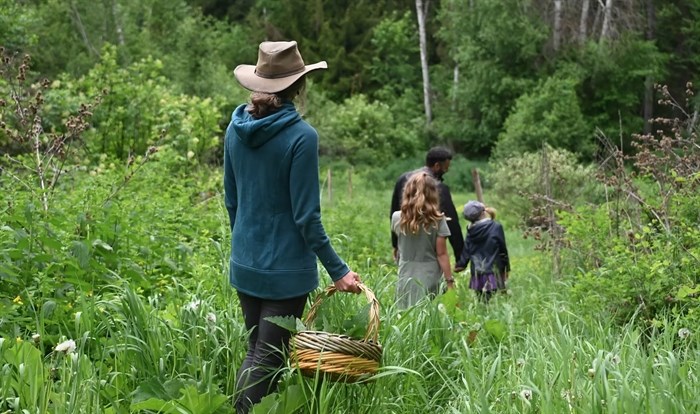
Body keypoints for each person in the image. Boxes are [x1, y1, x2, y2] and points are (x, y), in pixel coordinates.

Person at [223, 40, 362, 413]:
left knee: (256, 353)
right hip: (285, 272)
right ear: (298, 87)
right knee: (267, 359)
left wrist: (248, 248)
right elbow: (307, 218)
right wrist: (339, 272)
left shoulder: (235, 130)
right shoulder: (302, 137)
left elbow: (232, 202)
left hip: (245, 262)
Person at [391, 172, 455, 308]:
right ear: (433, 194)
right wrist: (449, 281)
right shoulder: (438, 221)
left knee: (404, 312)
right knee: (428, 312)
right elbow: (441, 254)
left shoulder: (397, 218)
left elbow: (399, 245)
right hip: (429, 274)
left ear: (407, 192)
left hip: (405, 272)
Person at [390, 147, 464, 264]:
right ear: (437, 166)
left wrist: (395, 244)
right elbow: (451, 221)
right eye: (445, 168)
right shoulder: (438, 187)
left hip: (406, 239)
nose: (446, 171)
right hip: (429, 247)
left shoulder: (402, 179)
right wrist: (460, 257)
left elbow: (395, 211)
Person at [454, 200, 510, 302]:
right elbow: (503, 250)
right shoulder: (496, 227)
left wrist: (460, 265)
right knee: (496, 301)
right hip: (494, 271)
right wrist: (506, 269)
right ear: (483, 212)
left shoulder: (471, 231)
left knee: (482, 301)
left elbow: (466, 251)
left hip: (478, 273)